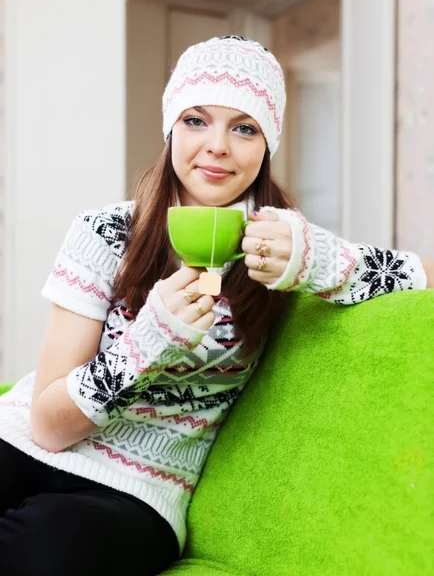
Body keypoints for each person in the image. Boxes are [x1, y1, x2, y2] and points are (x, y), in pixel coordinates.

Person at [0, 35, 432, 576]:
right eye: (196, 120)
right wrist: (146, 344)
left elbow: (423, 276)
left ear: (266, 143)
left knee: (46, 552)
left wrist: (323, 261)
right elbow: (47, 425)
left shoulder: (281, 248)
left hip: (138, 491)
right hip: (23, 440)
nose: (218, 146)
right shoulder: (106, 232)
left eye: (244, 127)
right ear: (171, 129)